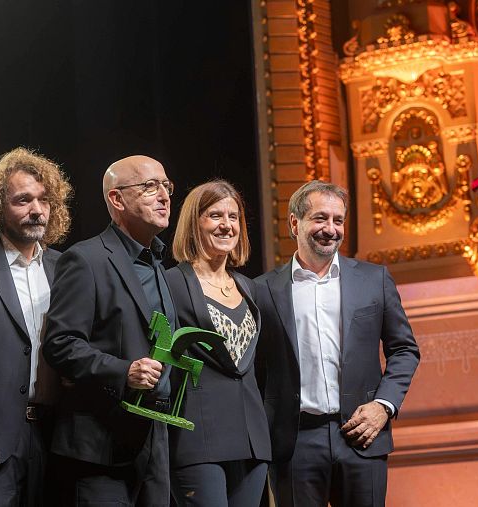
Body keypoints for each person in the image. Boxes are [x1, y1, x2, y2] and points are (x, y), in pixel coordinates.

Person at [254, 180, 420, 507]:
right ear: (294, 223)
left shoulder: (375, 279)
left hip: (364, 435)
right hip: (295, 443)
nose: (330, 228)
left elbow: (404, 350)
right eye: (320, 218)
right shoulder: (262, 290)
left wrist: (383, 406)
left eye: (338, 220)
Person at [43, 155, 176, 506]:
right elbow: (60, 344)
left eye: (167, 186)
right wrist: (123, 370)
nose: (164, 195)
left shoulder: (159, 264)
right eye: (150, 186)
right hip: (99, 445)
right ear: (117, 199)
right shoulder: (85, 259)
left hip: (153, 443)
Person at [0, 148, 73, 506]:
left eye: (44, 200)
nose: (36, 210)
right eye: (23, 200)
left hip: (56, 434)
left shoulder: (67, 269)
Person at [164, 180, 270, 506]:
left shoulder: (249, 288)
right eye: (215, 215)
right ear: (195, 223)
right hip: (199, 435)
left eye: (233, 216)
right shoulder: (171, 283)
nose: (227, 225)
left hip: (252, 438)